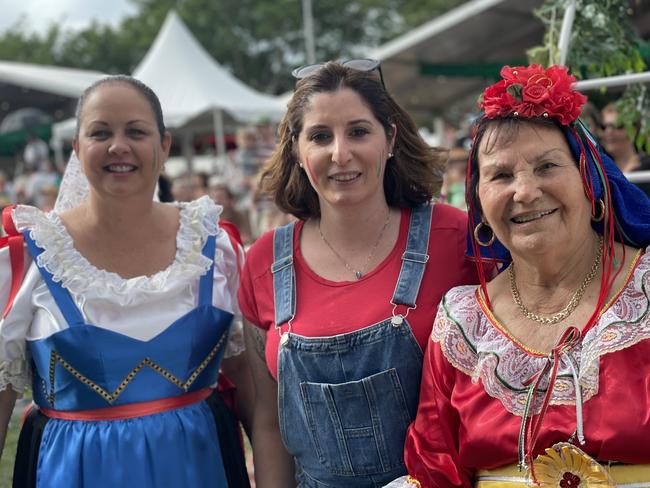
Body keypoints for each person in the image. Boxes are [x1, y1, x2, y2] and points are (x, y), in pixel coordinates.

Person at [387, 64, 650, 487]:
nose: (525, 192)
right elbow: (436, 469)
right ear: (479, 202)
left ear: (592, 179)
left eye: (547, 167)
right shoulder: (462, 322)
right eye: (501, 175)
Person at [0, 75, 253, 488]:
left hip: (200, 469)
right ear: (77, 150)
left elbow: (256, 400)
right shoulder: (27, 257)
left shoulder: (216, 248)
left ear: (164, 146)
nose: (119, 146)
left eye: (136, 131)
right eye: (101, 133)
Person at [238, 60, 479, 488]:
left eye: (358, 131)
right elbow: (269, 425)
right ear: (297, 150)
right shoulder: (262, 264)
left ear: (389, 138)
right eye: (320, 136)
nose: (340, 153)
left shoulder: (455, 237)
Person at [600, 102, 650, 197]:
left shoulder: (647, 166)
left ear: (633, 130)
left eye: (616, 126)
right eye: (604, 127)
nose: (608, 132)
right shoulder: (599, 167)